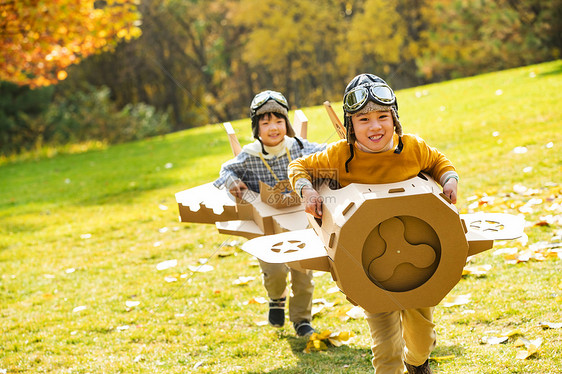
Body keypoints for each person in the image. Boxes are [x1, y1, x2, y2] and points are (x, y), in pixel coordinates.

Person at [288, 74, 459, 373]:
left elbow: (438, 161)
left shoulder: (411, 148)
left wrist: (449, 179)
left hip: (418, 263)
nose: (375, 126)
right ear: (350, 125)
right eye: (364, 120)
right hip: (368, 264)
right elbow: (299, 166)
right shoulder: (341, 156)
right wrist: (307, 189)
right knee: (386, 346)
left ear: (394, 118)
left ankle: (417, 363)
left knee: (422, 340)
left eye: (383, 116)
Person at [214, 90, 326, 337]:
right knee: (275, 271)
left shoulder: (299, 147)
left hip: (299, 223)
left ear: (286, 123)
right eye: (266, 123)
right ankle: (276, 298)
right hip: (267, 227)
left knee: (303, 272)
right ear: (257, 128)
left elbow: (328, 151)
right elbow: (225, 171)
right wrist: (233, 182)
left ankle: (302, 321)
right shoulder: (249, 155)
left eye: (278, 121)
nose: (273, 128)